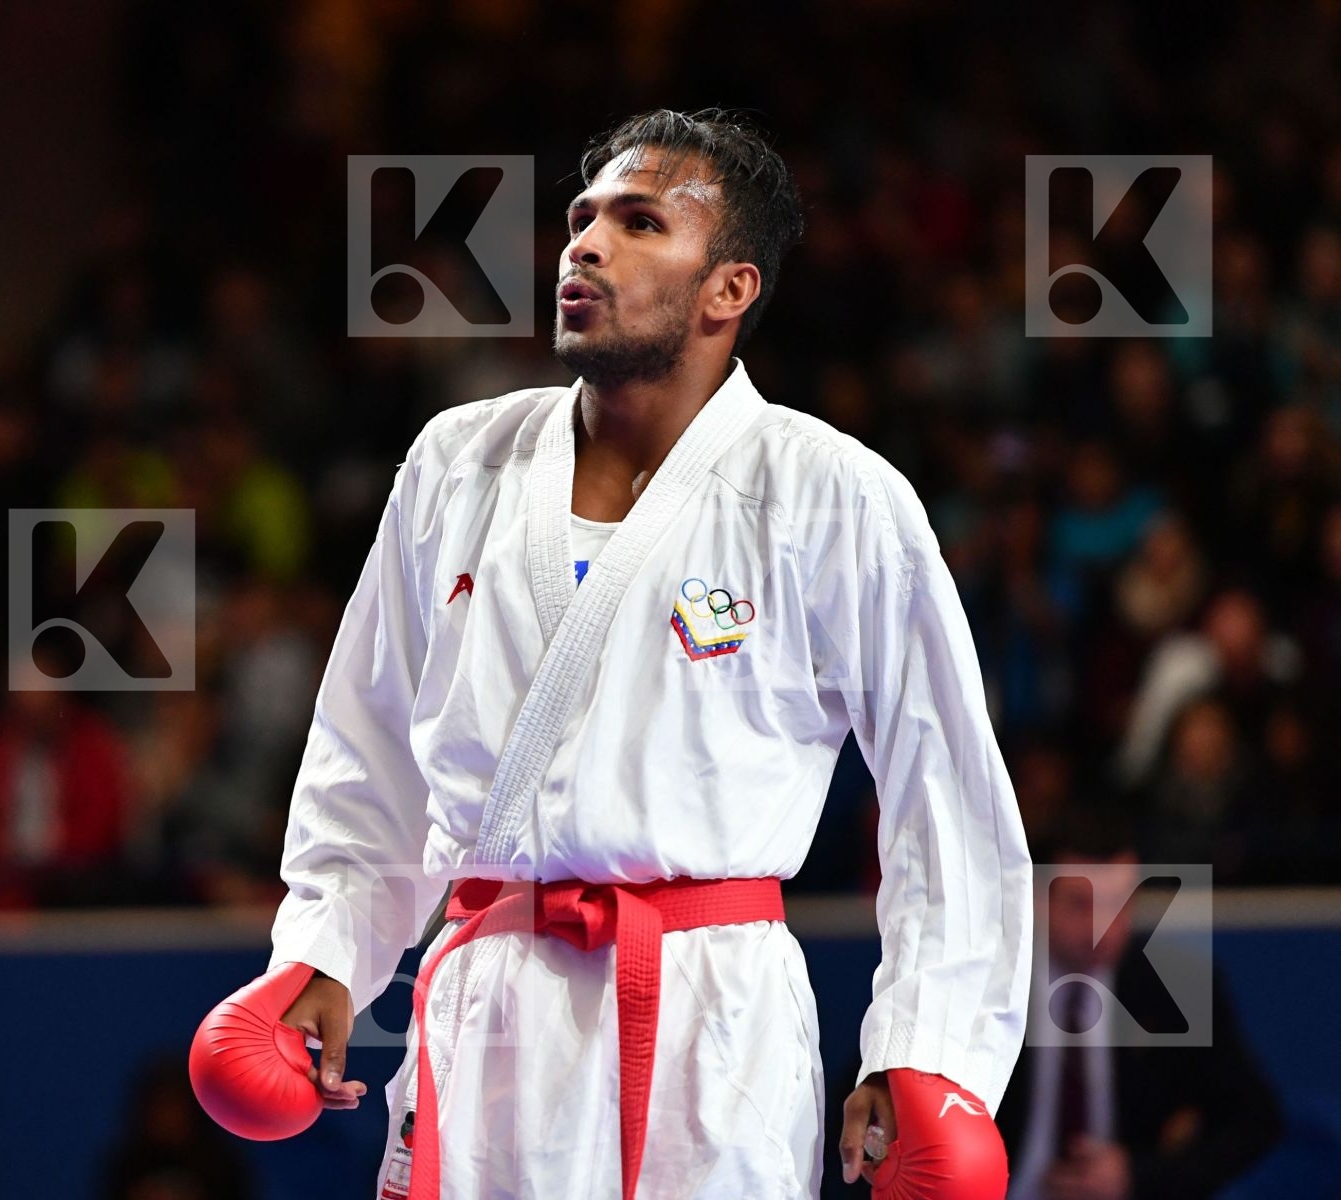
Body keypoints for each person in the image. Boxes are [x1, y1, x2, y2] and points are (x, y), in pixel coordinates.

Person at [191, 109, 1033, 1198]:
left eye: (639, 224)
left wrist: (927, 1050)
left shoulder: (833, 496)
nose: (585, 245)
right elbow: (369, 746)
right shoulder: (458, 462)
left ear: (729, 289)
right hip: (484, 1006)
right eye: (583, 218)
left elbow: (946, 795)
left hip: (709, 1028)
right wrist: (327, 949)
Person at [999, 804, 1281, 1200]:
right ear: (1036, 897)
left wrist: (1140, 1175)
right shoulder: (984, 984)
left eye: (1119, 903)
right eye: (1081, 903)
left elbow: (1255, 1120)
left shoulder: (1174, 985)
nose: (1102, 927)